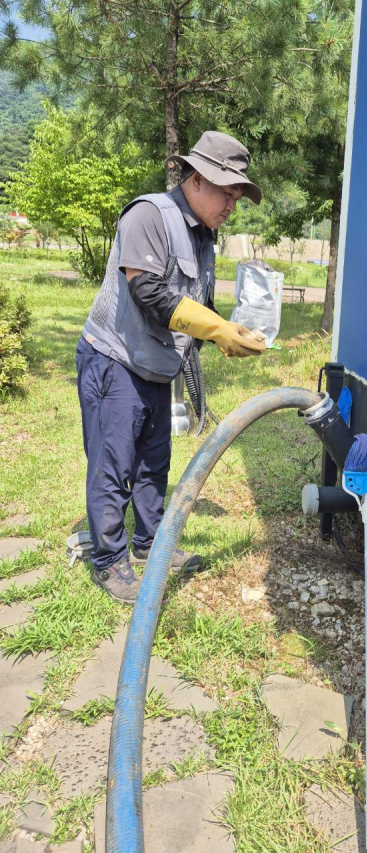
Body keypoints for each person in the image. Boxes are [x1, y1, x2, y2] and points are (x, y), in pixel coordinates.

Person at [76, 131, 265, 604]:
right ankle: (108, 560)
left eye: (237, 198)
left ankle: (149, 544)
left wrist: (227, 333)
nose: (231, 206)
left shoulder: (205, 237)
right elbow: (151, 294)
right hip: (115, 359)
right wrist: (216, 328)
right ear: (198, 179)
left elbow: (198, 306)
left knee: (153, 464)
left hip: (157, 367)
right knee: (112, 465)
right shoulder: (148, 215)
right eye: (227, 193)